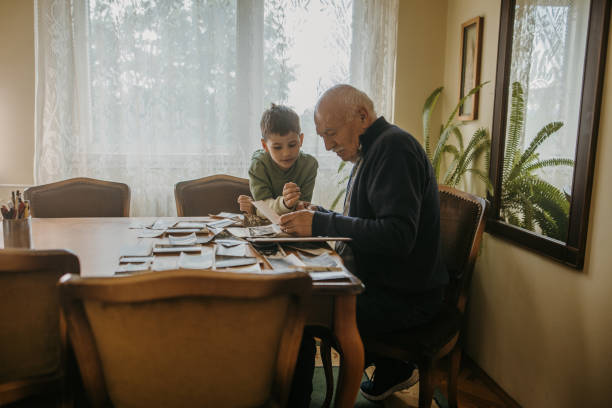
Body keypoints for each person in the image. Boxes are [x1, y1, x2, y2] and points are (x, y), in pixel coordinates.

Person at [279, 84, 449, 404]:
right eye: (322, 136)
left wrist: (320, 223)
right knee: (298, 300)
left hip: (407, 298)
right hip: (391, 286)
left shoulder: (394, 148)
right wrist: (320, 213)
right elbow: (369, 222)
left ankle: (295, 399)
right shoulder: (374, 148)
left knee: (297, 310)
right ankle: (388, 366)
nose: (328, 145)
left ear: (361, 116)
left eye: (331, 133)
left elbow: (398, 236)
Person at [237, 103, 318, 217]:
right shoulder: (258, 165)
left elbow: (302, 207)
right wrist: (284, 203)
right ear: (265, 146)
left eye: (292, 144)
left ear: (301, 140)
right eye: (277, 147)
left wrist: (303, 206)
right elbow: (263, 208)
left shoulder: (309, 165)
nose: (286, 153)